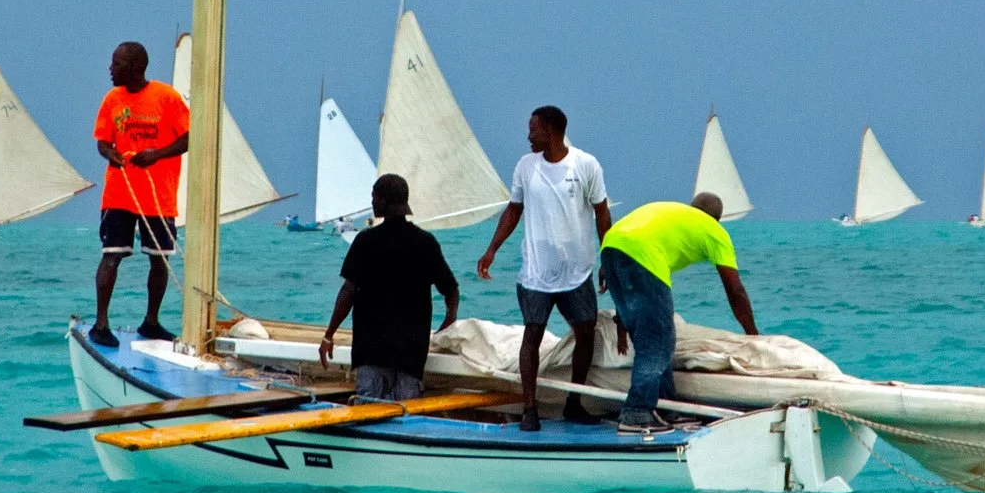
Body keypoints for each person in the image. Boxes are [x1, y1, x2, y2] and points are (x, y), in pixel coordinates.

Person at [476, 105, 611, 431]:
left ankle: (574, 403)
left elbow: (602, 213)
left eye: (532, 129)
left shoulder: (585, 165)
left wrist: (608, 257)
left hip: (577, 271)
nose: (528, 136)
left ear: (550, 130)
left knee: (585, 333)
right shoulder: (526, 167)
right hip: (536, 273)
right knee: (532, 334)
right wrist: (492, 249)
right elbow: (513, 210)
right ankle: (529, 408)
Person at [597, 193, 758, 434]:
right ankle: (637, 412)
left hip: (611, 248)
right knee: (659, 341)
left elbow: (627, 246)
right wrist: (752, 334)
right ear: (717, 219)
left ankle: (665, 406)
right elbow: (734, 289)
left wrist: (621, 321)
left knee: (651, 339)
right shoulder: (714, 231)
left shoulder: (673, 212)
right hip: (642, 254)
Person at [318, 174, 460, 401]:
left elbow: (348, 291)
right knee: (405, 415)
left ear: (383, 201)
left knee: (369, 413)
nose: (372, 203)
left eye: (374, 198)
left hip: (372, 350)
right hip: (411, 354)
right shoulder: (425, 242)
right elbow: (451, 289)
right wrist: (449, 320)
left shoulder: (366, 241)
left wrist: (329, 335)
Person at [90, 40, 190, 347]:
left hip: (157, 197)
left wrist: (157, 154)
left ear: (135, 68)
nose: (110, 69)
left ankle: (151, 322)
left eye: (117, 64)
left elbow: (189, 138)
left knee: (159, 260)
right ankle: (101, 323)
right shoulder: (112, 99)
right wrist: (112, 155)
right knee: (112, 257)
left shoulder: (166, 98)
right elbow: (102, 141)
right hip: (120, 195)